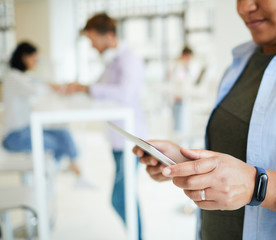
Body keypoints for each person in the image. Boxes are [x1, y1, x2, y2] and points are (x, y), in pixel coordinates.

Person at [134, 0, 276, 239]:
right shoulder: (241, 61)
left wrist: (261, 186)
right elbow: (239, 159)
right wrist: (182, 160)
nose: (243, 8)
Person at [64, 13, 146, 240]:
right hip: (118, 140)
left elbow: (124, 93)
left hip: (132, 140)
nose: (92, 45)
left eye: (93, 40)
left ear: (109, 36)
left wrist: (87, 89)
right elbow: (98, 87)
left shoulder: (129, 59)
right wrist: (82, 87)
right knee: (126, 196)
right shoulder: (113, 61)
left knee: (120, 198)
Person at [1, 42, 82, 178]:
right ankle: (51, 174)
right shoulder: (12, 77)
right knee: (58, 144)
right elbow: (36, 89)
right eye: (34, 59)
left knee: (63, 133)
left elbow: (37, 84)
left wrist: (53, 86)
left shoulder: (24, 77)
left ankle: (73, 169)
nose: (36, 63)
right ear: (25, 57)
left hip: (27, 130)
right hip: (15, 136)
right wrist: (52, 87)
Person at [166, 46, 194, 133]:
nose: (189, 61)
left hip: (179, 98)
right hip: (179, 99)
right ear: (185, 56)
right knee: (180, 129)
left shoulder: (178, 65)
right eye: (189, 58)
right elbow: (179, 82)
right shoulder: (179, 66)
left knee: (180, 126)